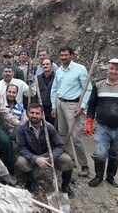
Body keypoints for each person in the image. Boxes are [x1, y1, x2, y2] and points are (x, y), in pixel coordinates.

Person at [85, 58, 118, 188]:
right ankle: (98, 176)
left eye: (116, 69)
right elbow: (92, 105)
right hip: (102, 127)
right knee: (100, 154)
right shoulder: (98, 86)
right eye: (111, 68)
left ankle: (110, 177)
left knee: (115, 155)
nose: (113, 71)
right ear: (107, 69)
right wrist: (89, 121)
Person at [15, 103, 74, 198]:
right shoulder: (21, 128)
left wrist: (51, 158)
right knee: (21, 162)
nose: (34, 115)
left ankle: (65, 185)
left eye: (37, 113)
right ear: (27, 113)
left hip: (48, 154)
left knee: (67, 160)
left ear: (42, 115)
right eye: (32, 113)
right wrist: (35, 159)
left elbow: (60, 146)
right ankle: (30, 182)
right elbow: (21, 148)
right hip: (31, 155)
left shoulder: (49, 127)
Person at [50, 45, 92, 176]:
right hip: (60, 103)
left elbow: (88, 89)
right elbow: (54, 89)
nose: (63, 58)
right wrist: (54, 106)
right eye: (61, 55)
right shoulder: (59, 71)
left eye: (65, 55)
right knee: (62, 134)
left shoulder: (80, 69)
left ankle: (84, 165)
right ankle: (70, 160)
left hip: (73, 105)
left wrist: (82, 106)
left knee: (76, 136)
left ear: (71, 55)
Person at [35, 58, 55, 125]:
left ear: (51, 66)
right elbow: (35, 94)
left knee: (53, 127)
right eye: (43, 64)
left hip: (53, 108)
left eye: (47, 64)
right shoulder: (37, 78)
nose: (45, 66)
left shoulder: (56, 77)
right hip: (41, 108)